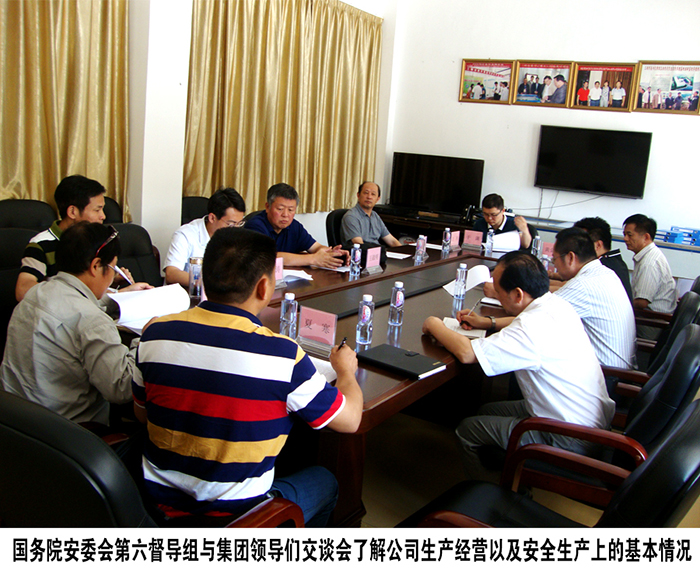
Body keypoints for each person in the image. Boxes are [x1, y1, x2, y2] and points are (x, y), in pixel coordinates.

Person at [133, 228, 363, 525]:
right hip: (237, 518)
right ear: (265, 287)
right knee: (325, 482)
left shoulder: (154, 334)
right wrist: (345, 372)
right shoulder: (282, 355)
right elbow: (351, 420)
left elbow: (142, 414)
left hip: (154, 507)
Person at [421, 251, 614, 481]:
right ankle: (506, 475)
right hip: (588, 421)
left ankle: (489, 493)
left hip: (569, 436)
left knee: (466, 430)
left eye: (499, 292)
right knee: (486, 411)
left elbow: (467, 353)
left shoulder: (530, 328)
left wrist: (434, 324)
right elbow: (520, 322)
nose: (496, 296)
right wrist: (487, 322)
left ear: (518, 294)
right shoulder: (556, 304)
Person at [2, 222, 151, 425]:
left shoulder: (36, 293)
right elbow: (122, 388)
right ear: (96, 266)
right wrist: (147, 337)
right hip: (70, 432)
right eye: (112, 267)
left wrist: (117, 299)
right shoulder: (92, 320)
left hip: (16, 424)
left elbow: (71, 308)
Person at [15, 174, 132, 302]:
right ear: (72, 212)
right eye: (97, 210)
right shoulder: (41, 244)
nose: (103, 216)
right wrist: (116, 294)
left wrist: (109, 280)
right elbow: (23, 290)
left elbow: (88, 284)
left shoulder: (97, 240)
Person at [245, 183, 348, 268]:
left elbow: (316, 247)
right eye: (280, 209)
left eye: (291, 210)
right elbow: (269, 257)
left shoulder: (294, 226)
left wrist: (334, 254)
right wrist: (314, 259)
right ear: (267, 207)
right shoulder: (255, 226)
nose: (285, 215)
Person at [163, 188, 246, 287]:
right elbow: (171, 274)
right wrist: (210, 284)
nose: (236, 229)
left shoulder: (236, 236)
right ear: (212, 218)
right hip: (189, 293)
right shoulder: (185, 235)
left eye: (239, 223)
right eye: (231, 224)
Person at [623, 214, 676, 339]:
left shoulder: (649, 263)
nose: (625, 239)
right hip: (650, 318)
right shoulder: (650, 254)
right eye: (624, 234)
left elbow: (641, 302)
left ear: (646, 237)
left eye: (630, 235)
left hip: (651, 323)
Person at [573, 216, 633, 301]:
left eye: (581, 244)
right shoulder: (613, 261)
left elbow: (573, 288)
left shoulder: (602, 267)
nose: (575, 248)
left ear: (598, 245)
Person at [340, 182, 401, 247]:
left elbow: (392, 241)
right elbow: (359, 244)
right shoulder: (351, 216)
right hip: (362, 252)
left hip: (376, 251)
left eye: (373, 194)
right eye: (366, 193)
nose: (369, 197)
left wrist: (403, 250)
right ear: (358, 195)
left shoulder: (375, 216)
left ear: (377, 199)